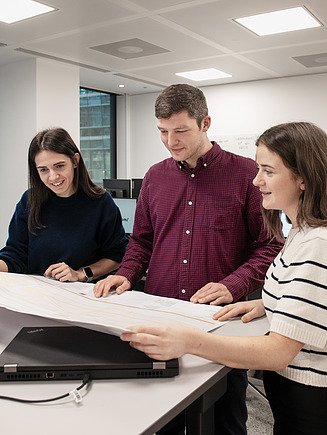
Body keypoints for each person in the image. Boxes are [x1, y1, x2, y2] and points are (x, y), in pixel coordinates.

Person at [94, 84, 283, 434]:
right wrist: (127, 273)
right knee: (160, 419)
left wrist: (233, 285)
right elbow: (141, 242)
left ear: (205, 122)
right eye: (163, 132)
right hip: (161, 318)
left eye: (180, 130)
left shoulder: (246, 176)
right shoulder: (155, 176)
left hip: (219, 324)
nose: (171, 141)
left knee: (225, 420)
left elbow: (270, 246)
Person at [121, 121, 327, 435]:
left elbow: (277, 352)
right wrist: (266, 304)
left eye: (268, 171)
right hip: (290, 393)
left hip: (309, 397)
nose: (257, 180)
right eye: (259, 169)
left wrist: (189, 341)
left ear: (302, 178)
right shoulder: (301, 233)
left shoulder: (317, 244)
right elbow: (307, 297)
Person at [0, 127, 128, 282]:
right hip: (38, 295)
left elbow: (116, 256)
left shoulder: (101, 203)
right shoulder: (29, 201)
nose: (53, 177)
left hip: (81, 296)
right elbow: (15, 255)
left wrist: (80, 273)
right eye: (43, 170)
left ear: (75, 160)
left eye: (59, 166)